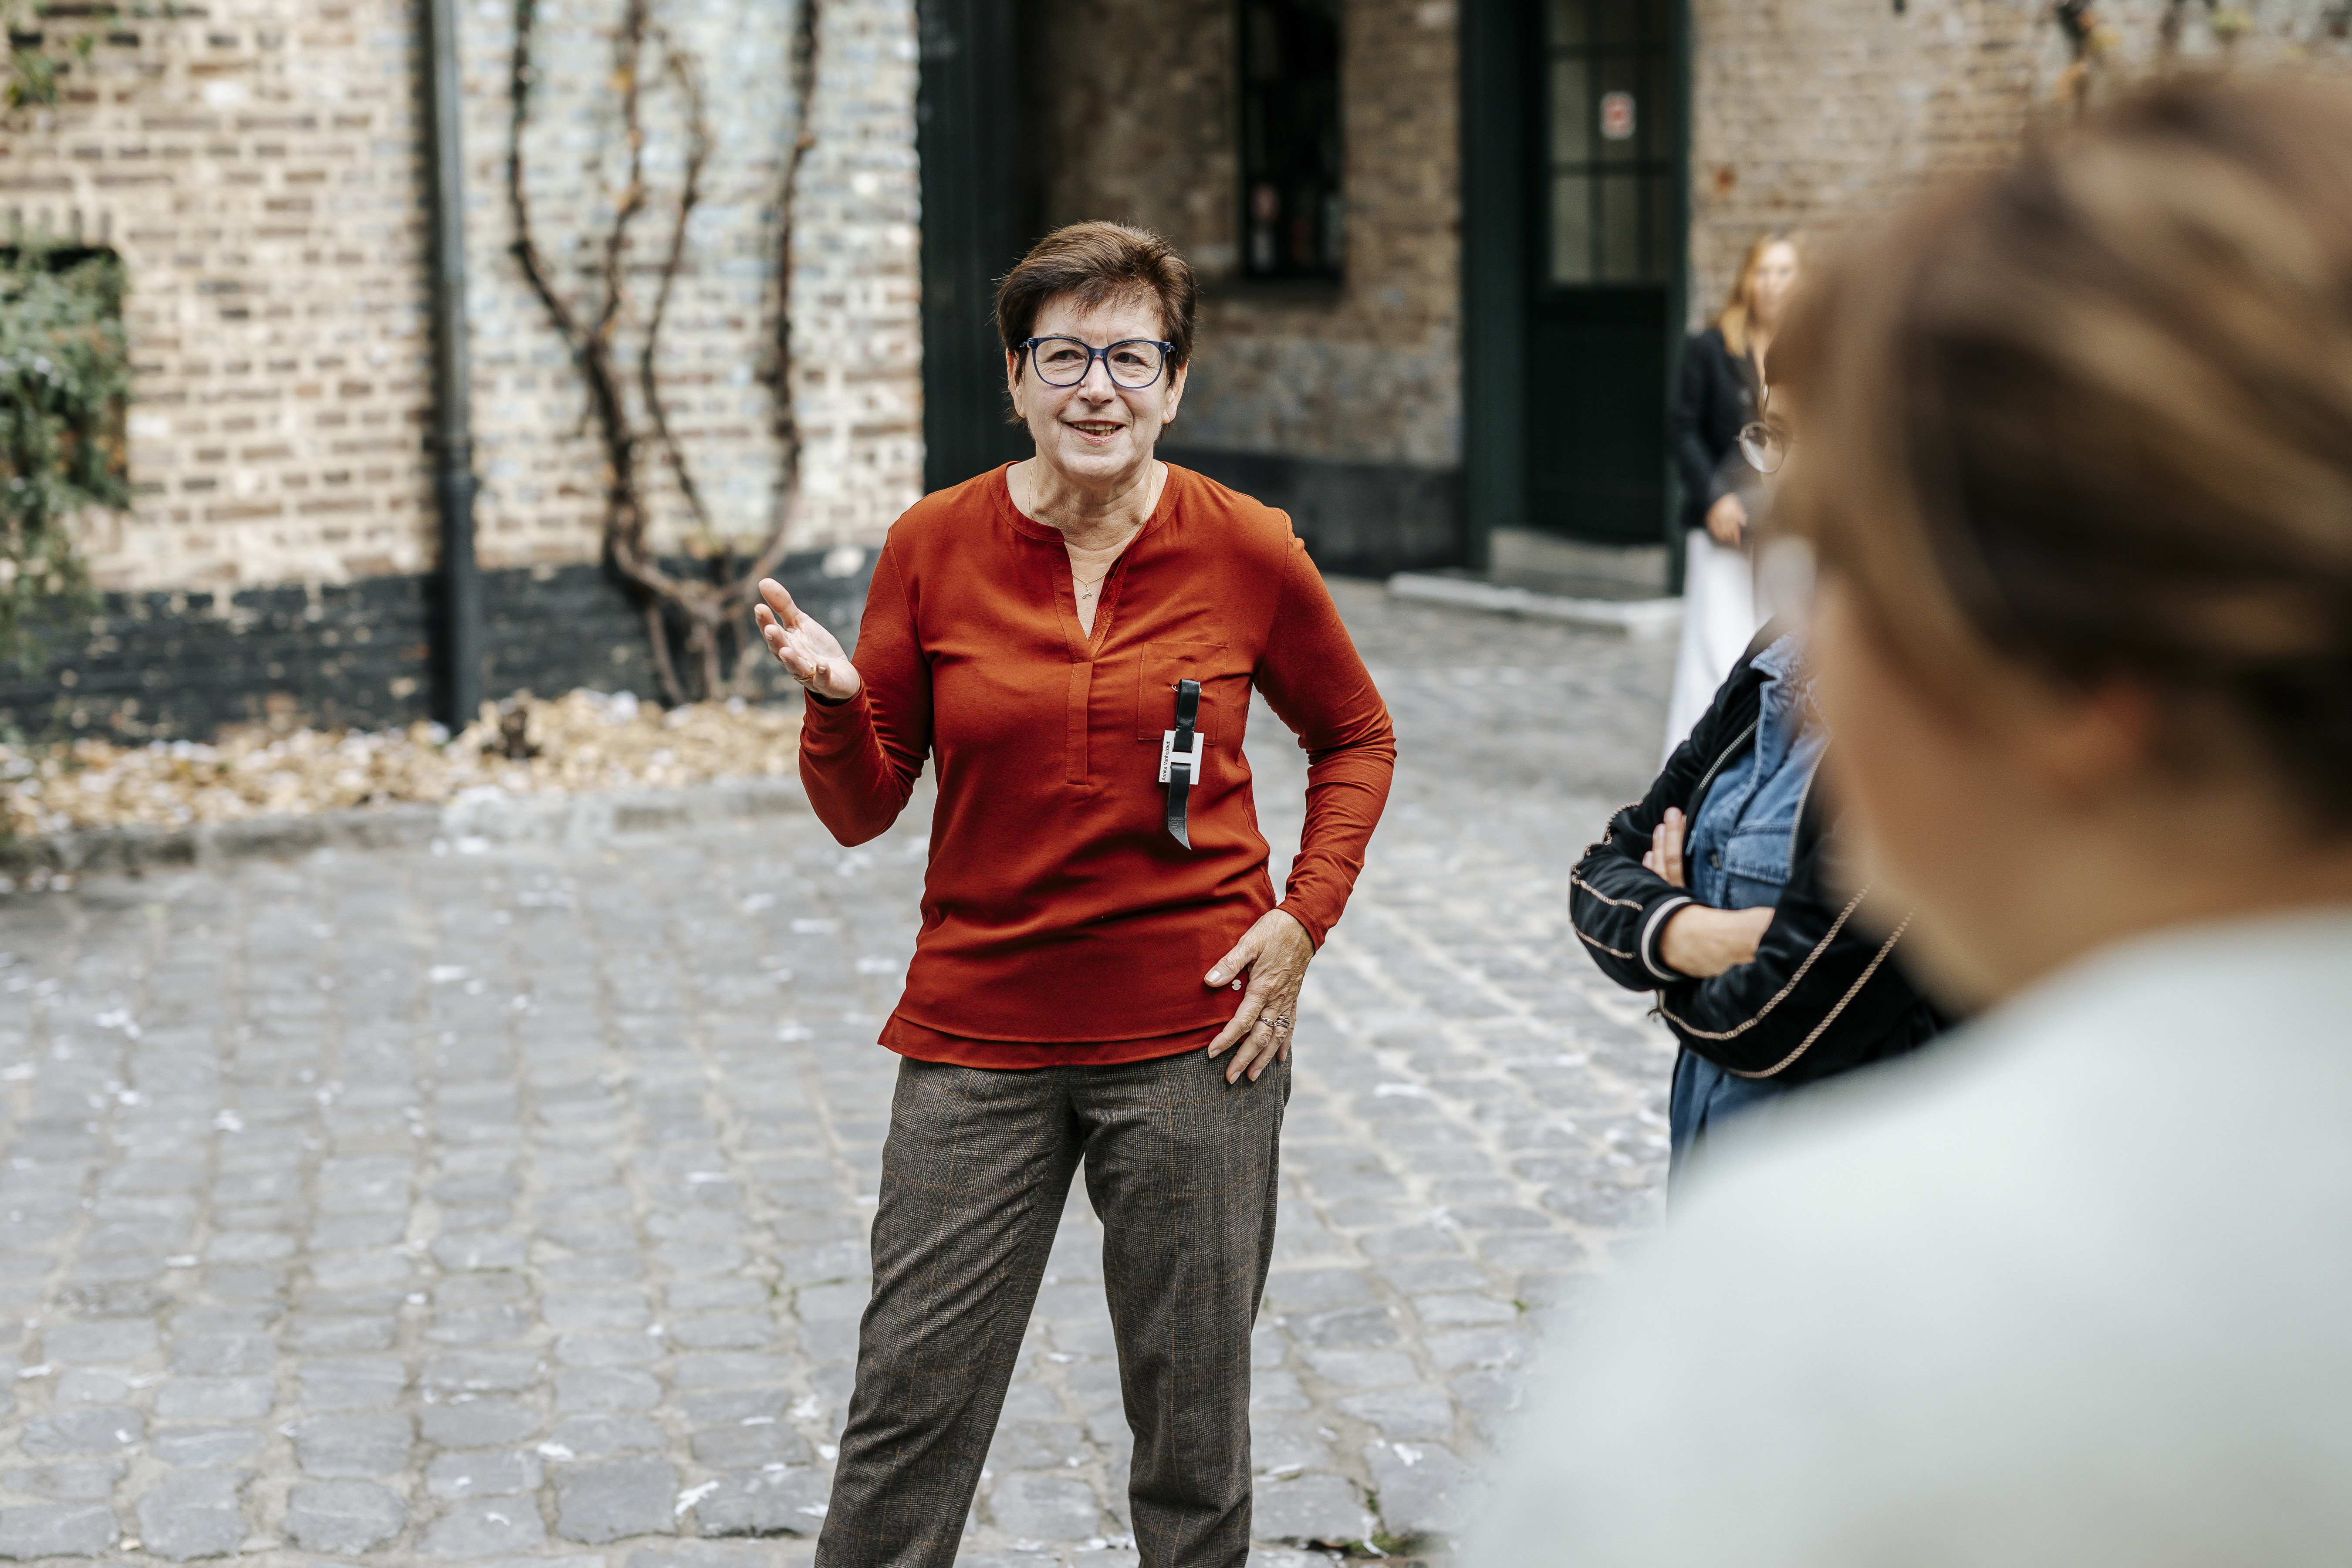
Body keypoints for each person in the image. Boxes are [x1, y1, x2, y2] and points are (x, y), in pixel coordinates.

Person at [1480, 73, 2352, 1565]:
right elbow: (1627, 871)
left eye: (1843, 560)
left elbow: (1785, 1004)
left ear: (2068, 682)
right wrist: (1700, 934)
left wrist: (1674, 943)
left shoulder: (1838, 1321)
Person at [753, 221, 1396, 1568]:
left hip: (1196, 1041)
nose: (1094, 388)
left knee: (1193, 1433)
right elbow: (865, 807)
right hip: (977, 1036)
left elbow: (1355, 739)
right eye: (1062, 356)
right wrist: (832, 705)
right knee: (907, 1415)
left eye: (1128, 357)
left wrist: (1303, 920)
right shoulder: (933, 545)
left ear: (1174, 383)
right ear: (1016, 377)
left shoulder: (1248, 548)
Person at [1569, 614, 1947, 1183]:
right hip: (1705, 1150)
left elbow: (1787, 1018)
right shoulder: (1782, 651)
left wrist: (1666, 973)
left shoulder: (1942, 705)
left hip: (1846, 1188)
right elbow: (1603, 867)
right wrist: (1695, 934)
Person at [1659, 232, 1800, 761]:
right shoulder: (1711, 346)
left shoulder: (1807, 352)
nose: (1773, 283)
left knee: (1766, 651)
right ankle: (1695, 770)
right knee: (1715, 654)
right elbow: (1683, 430)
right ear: (1746, 279)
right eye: (1763, 271)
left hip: (1775, 529)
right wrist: (1716, 498)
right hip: (1722, 524)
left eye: (1784, 271)